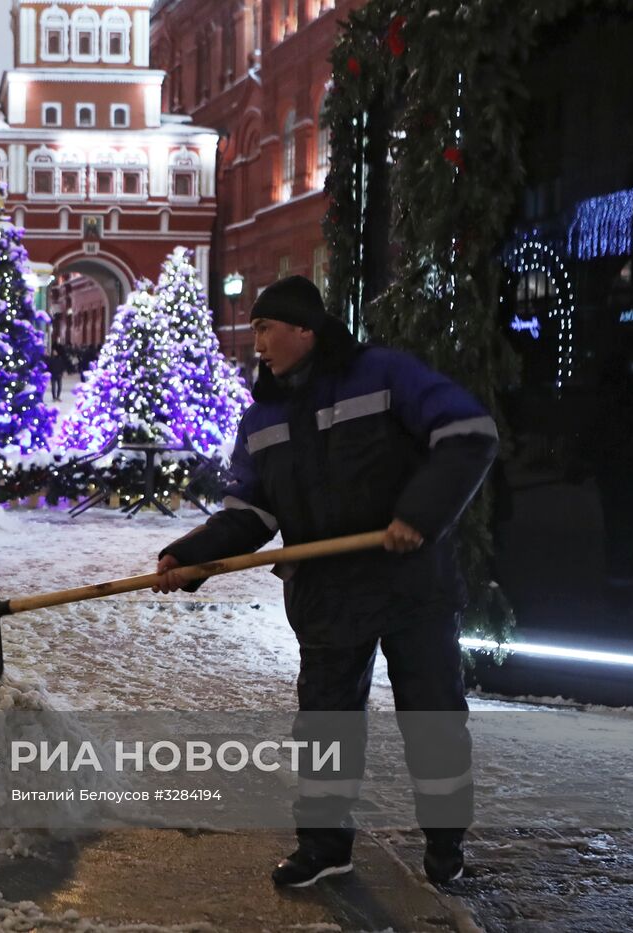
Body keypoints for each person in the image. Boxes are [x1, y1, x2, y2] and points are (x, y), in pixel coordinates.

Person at [151, 276, 497, 889]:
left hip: (409, 584)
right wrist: (188, 554)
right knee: (325, 724)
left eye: (264, 327)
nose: (255, 341)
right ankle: (324, 845)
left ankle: (446, 844)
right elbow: (250, 514)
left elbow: (468, 433)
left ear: (304, 329)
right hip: (326, 593)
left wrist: (419, 514)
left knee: (434, 717)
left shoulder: (385, 375)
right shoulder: (261, 417)